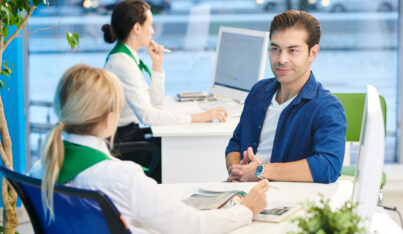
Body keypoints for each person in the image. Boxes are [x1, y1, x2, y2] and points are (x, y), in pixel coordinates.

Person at [30, 64, 269, 234]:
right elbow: (192, 227)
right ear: (108, 120)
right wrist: (245, 210)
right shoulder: (121, 177)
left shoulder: (41, 170)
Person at [225, 10, 346, 183]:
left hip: (283, 200)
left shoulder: (327, 107)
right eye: (275, 49)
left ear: (312, 53)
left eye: (292, 51)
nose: (281, 59)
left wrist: (261, 171)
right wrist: (237, 170)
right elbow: (236, 143)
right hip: (241, 190)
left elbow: (328, 166)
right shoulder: (259, 91)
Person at [101, 0, 227, 143]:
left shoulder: (127, 58)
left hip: (130, 133)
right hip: (124, 140)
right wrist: (199, 117)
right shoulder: (122, 63)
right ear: (137, 28)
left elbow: (155, 102)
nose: (152, 31)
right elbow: (148, 116)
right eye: (150, 25)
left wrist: (157, 65)